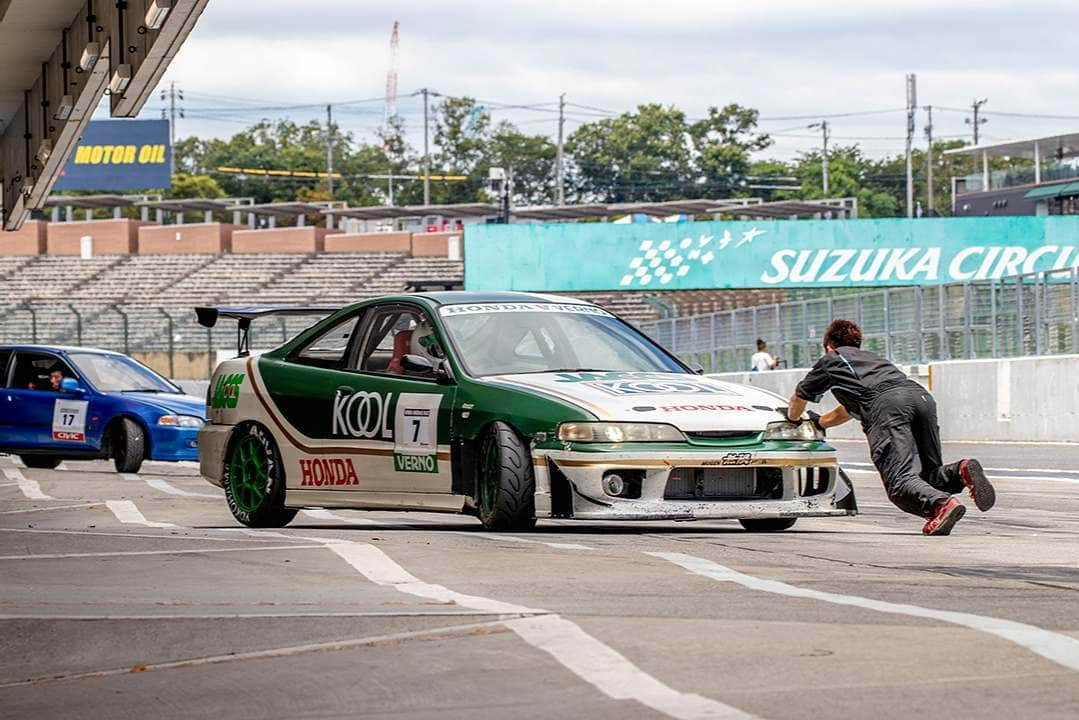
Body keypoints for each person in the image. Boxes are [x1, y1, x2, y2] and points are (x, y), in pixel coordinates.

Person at [784, 319, 995, 536]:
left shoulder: (832, 360)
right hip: (920, 397)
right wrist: (819, 423)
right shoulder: (873, 360)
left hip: (888, 405)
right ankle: (960, 471)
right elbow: (845, 411)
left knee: (899, 482)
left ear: (829, 345)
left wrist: (793, 419)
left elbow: (799, 398)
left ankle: (940, 505)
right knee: (927, 475)